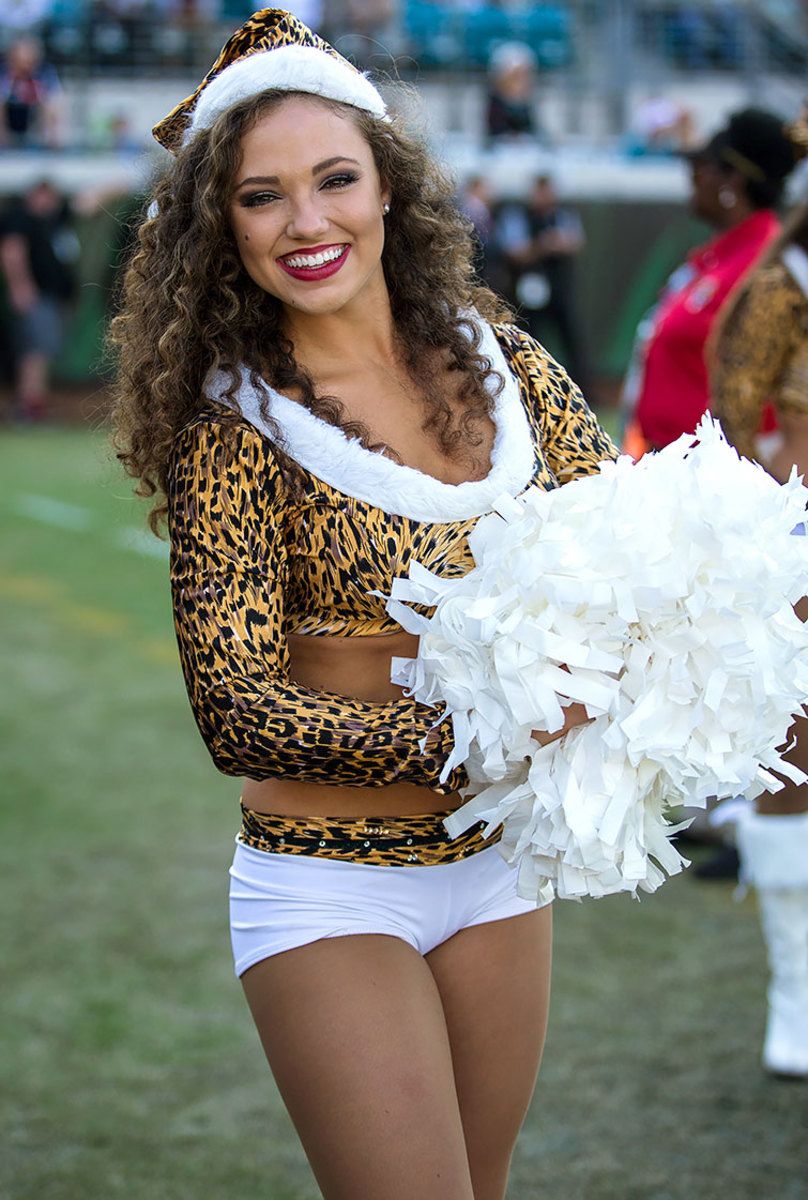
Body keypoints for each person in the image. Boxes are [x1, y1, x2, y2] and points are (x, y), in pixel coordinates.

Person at [110, 9, 617, 1198]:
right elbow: (238, 710)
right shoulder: (230, 425)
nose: (307, 222)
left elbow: (622, 555)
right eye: (260, 196)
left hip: (498, 868)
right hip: (327, 876)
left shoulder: (510, 366)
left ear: (390, 187)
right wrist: (478, 727)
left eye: (335, 179)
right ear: (215, 227)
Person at [708, 184, 808, 1078]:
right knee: (796, 759)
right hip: (804, 533)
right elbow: (733, 408)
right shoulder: (782, 284)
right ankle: (796, 994)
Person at [622, 107, 800, 456]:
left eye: (701, 169)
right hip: (672, 468)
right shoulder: (717, 256)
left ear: (732, 181)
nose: (693, 179)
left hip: (720, 481)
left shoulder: (766, 264)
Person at [495, 173, 589, 392]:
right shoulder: (518, 215)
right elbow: (515, 252)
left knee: (572, 340)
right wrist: (543, 245)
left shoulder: (563, 214)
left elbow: (575, 243)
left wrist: (558, 243)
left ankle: (580, 389)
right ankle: (528, 388)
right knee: (528, 340)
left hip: (559, 289)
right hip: (528, 289)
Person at [0, 178, 78, 421]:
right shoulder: (21, 220)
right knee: (35, 349)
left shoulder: (50, 222)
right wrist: (21, 287)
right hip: (37, 296)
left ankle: (34, 400)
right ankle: (30, 404)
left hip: (51, 297)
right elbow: (12, 253)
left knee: (41, 349)